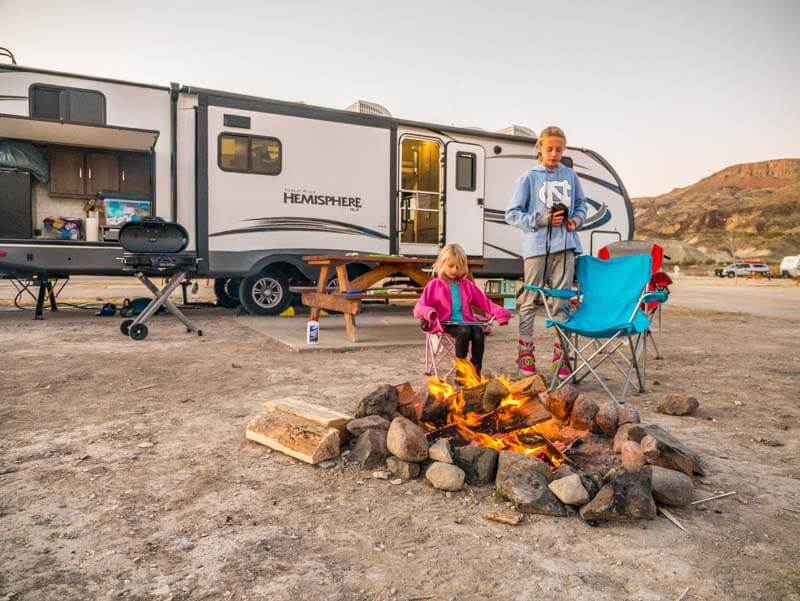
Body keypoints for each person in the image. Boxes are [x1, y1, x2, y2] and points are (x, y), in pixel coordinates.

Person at [505, 126, 587, 379]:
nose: (554, 154)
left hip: (565, 247)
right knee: (530, 300)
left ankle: (560, 355)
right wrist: (541, 219)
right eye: (549, 148)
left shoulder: (571, 176)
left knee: (562, 299)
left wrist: (575, 220)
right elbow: (512, 214)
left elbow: (582, 205)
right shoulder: (528, 177)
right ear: (539, 147)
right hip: (536, 249)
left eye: (559, 149)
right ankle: (525, 351)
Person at [414, 243, 511, 376]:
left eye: (458, 266)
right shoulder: (434, 285)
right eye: (451, 266)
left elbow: (485, 303)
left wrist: (499, 312)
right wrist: (429, 313)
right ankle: (461, 370)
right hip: (446, 324)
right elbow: (419, 307)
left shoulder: (467, 285)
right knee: (464, 330)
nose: (455, 270)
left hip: (467, 322)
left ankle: (475, 371)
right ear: (442, 264)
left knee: (478, 333)